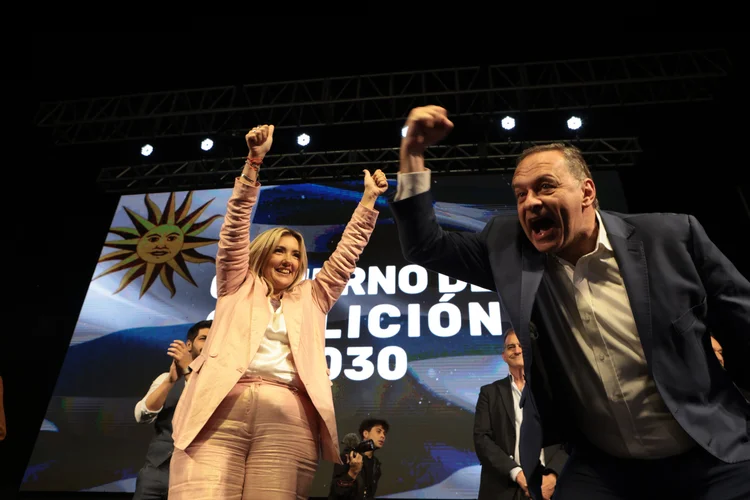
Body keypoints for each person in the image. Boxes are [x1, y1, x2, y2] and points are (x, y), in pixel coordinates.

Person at [389, 105, 750, 499]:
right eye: (520, 194)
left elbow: (745, 323)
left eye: (545, 186)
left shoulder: (672, 237)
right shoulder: (509, 250)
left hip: (712, 457)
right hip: (605, 470)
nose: (529, 203)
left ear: (587, 192)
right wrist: (412, 155)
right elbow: (425, 245)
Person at [169, 124, 388, 500]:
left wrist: (367, 204)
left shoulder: (313, 296)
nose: (288, 260)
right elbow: (236, 226)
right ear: (263, 253)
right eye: (280, 250)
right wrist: (254, 162)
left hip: (286, 419)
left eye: (296, 254)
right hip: (218, 408)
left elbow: (345, 256)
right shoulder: (236, 283)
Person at [474, 329, 567, 500]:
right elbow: (482, 439)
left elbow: (570, 437)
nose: (517, 350)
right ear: (504, 356)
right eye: (511, 347)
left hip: (551, 488)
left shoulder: (552, 389)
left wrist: (553, 476)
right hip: (503, 488)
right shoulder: (489, 392)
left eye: (521, 346)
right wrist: (517, 473)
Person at [132, 320, 210, 500]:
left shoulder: (222, 383)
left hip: (194, 473)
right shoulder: (166, 378)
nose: (208, 343)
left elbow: (201, 408)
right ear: (189, 345)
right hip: (156, 473)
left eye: (213, 339)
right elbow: (141, 415)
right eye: (204, 338)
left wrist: (188, 370)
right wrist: (170, 381)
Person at [328, 418, 388, 500]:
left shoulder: (375, 464)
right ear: (365, 433)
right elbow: (336, 492)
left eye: (384, 433)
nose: (383, 436)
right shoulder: (348, 456)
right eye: (378, 431)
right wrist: (353, 472)